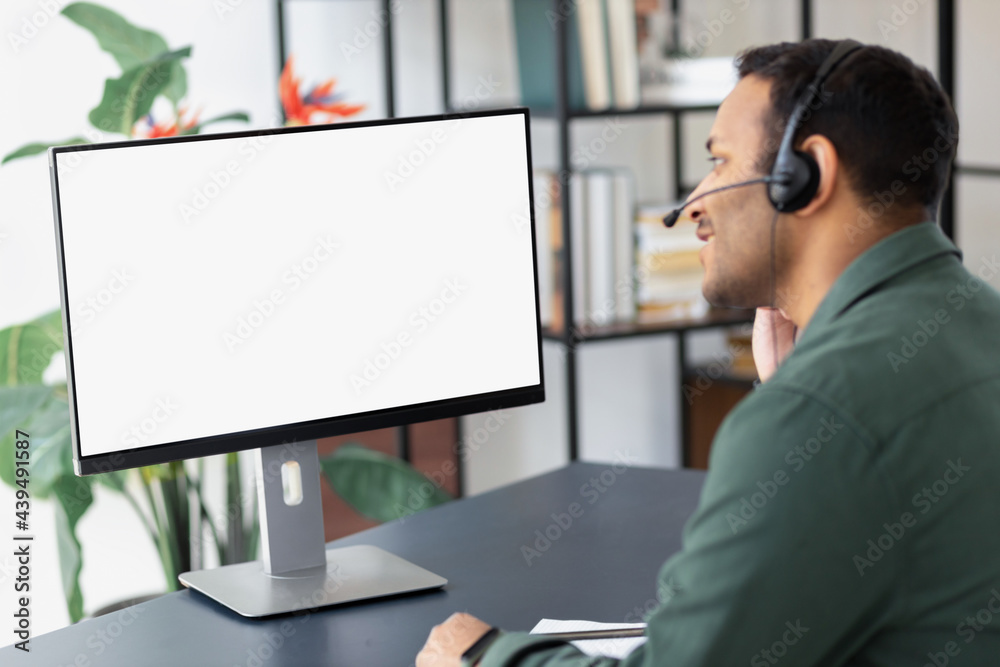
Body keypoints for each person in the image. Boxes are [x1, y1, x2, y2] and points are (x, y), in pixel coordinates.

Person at [416, 38, 1000, 666]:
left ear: (806, 176)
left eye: (719, 162)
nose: (691, 203)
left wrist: (485, 658)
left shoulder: (826, 409)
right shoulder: (973, 324)